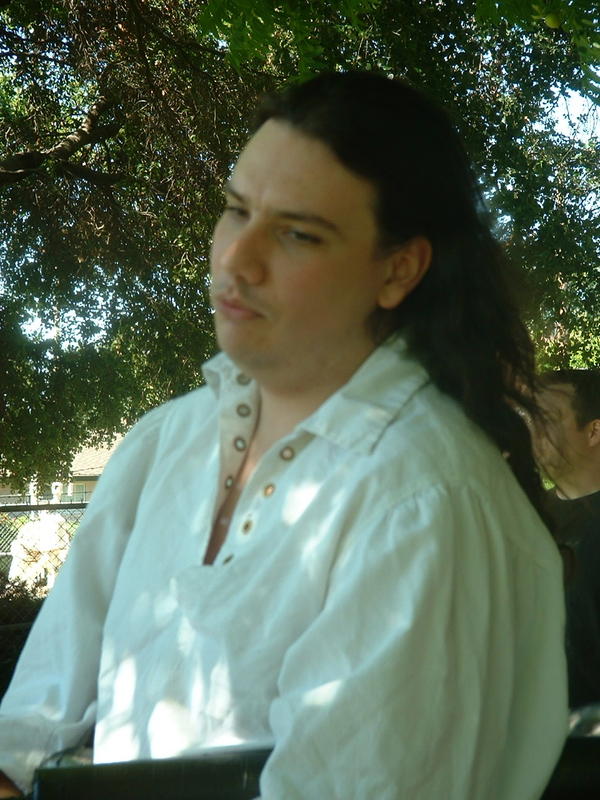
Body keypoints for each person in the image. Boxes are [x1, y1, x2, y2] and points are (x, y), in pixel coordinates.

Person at [0, 71, 568, 799]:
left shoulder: (423, 501)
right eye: (237, 210)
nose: (237, 259)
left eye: (298, 233)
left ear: (398, 269)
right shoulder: (166, 442)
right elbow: (32, 724)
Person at [534, 369, 600, 710]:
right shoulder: (524, 512)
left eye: (547, 418)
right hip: (531, 727)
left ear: (594, 431)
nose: (533, 430)